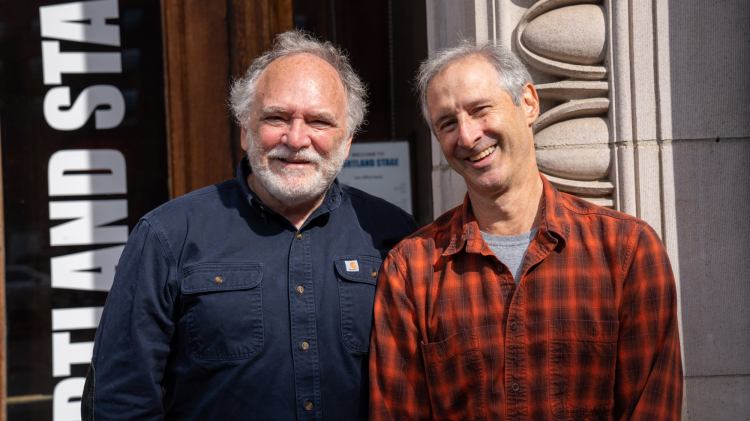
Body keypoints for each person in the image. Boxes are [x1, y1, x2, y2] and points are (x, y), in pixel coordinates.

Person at [82, 30, 415, 420]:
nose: (296, 138)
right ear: (245, 130)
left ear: (347, 141)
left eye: (319, 121)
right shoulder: (168, 236)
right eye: (276, 117)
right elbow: (120, 400)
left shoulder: (392, 235)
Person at [369, 41, 683, 420]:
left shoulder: (627, 251)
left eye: (480, 110)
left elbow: (652, 410)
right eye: (448, 124)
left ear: (529, 103)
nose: (467, 137)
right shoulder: (412, 269)